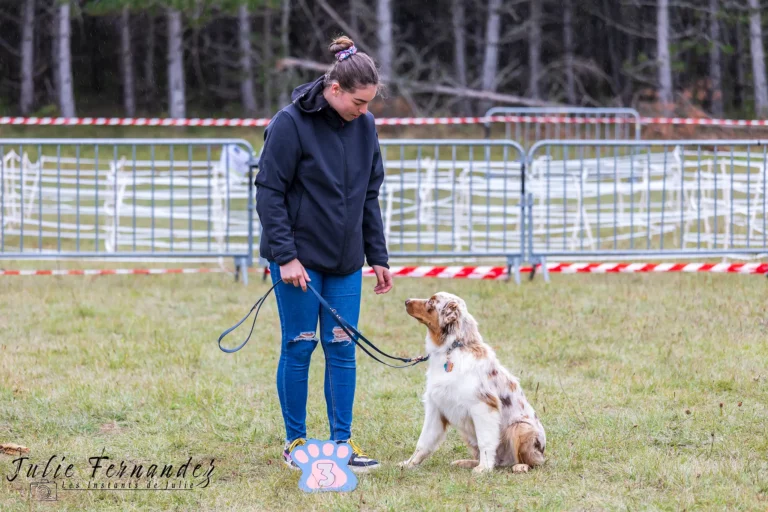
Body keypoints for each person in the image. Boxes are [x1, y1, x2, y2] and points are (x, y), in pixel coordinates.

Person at [254, 35, 393, 473]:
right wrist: (285, 256)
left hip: (346, 261)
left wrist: (378, 255)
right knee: (299, 346)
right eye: (358, 102)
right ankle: (295, 442)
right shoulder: (289, 123)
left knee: (342, 348)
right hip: (298, 261)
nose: (364, 111)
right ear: (334, 89)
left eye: (369, 103)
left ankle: (341, 443)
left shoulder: (365, 127)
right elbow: (269, 192)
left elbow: (369, 195)